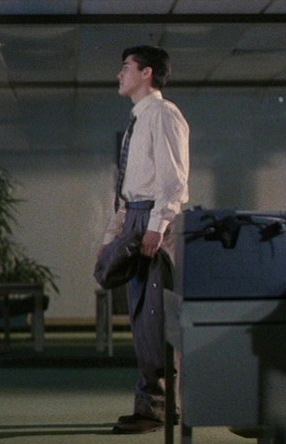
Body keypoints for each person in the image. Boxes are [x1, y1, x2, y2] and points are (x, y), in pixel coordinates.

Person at [99, 45, 189, 434]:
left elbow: (173, 180)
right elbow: (128, 188)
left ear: (147, 73)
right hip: (137, 217)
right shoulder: (138, 119)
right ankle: (149, 402)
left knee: (156, 319)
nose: (119, 75)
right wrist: (113, 234)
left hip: (154, 219)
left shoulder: (164, 115)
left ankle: (161, 409)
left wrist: (157, 225)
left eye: (126, 67)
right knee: (141, 318)